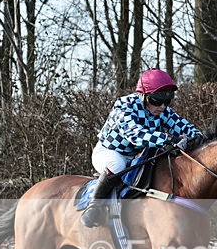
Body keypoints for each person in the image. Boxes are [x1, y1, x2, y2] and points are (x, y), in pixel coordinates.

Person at [81, 68, 203, 227]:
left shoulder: (162, 110)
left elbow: (182, 125)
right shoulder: (124, 106)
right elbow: (136, 135)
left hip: (137, 157)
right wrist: (169, 139)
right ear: (143, 96)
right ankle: (94, 207)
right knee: (117, 166)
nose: (162, 107)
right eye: (156, 101)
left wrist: (199, 137)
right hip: (111, 152)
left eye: (167, 101)